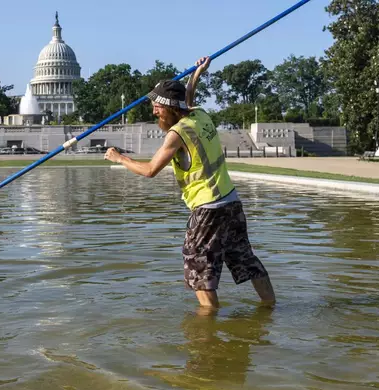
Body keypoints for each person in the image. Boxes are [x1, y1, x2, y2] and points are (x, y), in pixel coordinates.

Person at [103, 56, 275, 308]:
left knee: (198, 267)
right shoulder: (201, 116)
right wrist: (196, 74)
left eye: (157, 107)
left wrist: (119, 158)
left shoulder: (176, 134)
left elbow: (150, 170)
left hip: (208, 208)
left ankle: (208, 329)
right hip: (231, 202)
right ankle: (271, 306)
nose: (153, 111)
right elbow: (189, 101)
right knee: (245, 259)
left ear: (171, 107)